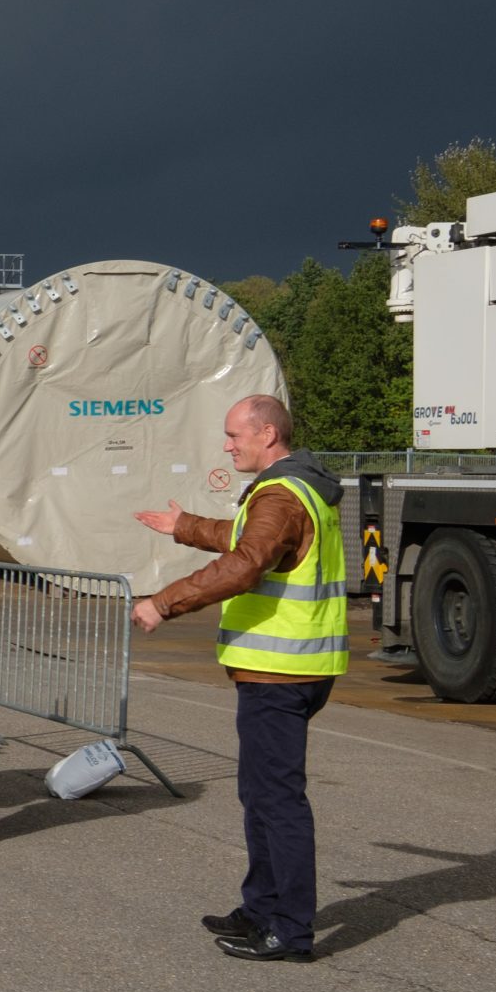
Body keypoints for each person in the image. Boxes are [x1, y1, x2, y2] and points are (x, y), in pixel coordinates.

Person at [133, 395, 347, 962]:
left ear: (268, 434)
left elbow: (247, 561)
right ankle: (261, 909)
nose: (228, 445)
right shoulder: (297, 488)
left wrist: (164, 602)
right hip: (291, 666)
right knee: (260, 794)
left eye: (235, 435)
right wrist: (185, 526)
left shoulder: (281, 493)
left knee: (276, 800)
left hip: (280, 671)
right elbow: (252, 539)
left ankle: (290, 930)